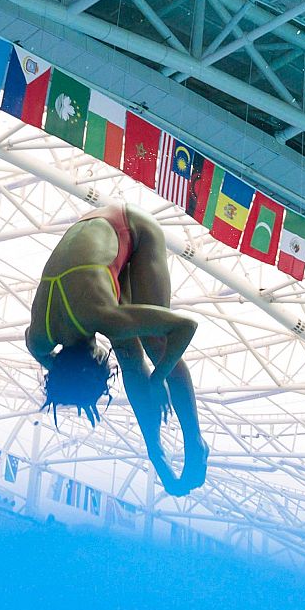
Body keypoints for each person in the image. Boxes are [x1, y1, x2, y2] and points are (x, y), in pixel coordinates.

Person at [25, 202, 208, 494]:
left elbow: (185, 327)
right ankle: (155, 450)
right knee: (128, 352)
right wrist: (70, 380)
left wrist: (158, 379)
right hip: (88, 234)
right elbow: (54, 366)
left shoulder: (101, 315)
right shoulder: (39, 338)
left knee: (155, 345)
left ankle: (195, 441)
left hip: (129, 225)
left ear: (97, 362)